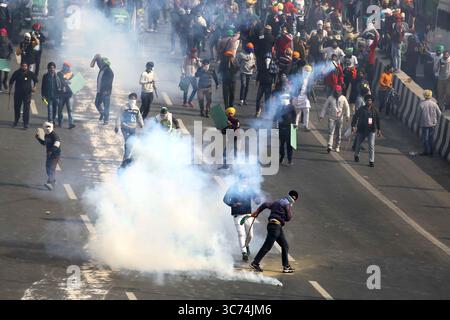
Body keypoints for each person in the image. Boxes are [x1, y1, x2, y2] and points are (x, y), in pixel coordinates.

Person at [249, 190, 299, 274]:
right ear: (295, 199)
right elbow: (289, 217)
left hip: (274, 226)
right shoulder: (287, 205)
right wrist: (285, 215)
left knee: (285, 245)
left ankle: (286, 267)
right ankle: (255, 263)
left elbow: (265, 204)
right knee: (267, 246)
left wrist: (257, 212)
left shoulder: (278, 201)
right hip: (275, 227)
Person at [223, 174, 261, 262]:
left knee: (250, 235)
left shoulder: (249, 188)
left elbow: (256, 198)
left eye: (246, 179)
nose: (245, 181)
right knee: (241, 234)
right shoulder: (233, 188)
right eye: (243, 179)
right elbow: (225, 199)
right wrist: (233, 205)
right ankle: (244, 253)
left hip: (248, 215)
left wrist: (257, 200)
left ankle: (246, 245)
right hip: (237, 215)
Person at [352, 95, 381, 167]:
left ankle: (371, 161)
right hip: (361, 129)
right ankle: (356, 155)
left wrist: (379, 129)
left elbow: (378, 120)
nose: (369, 102)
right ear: (365, 101)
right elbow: (355, 117)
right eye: (368, 100)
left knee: (371, 145)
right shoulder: (361, 109)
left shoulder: (375, 110)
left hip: (371, 129)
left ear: (372, 102)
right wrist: (353, 126)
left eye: (370, 100)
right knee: (358, 143)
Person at [320, 85, 350, 153]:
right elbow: (325, 107)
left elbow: (347, 107)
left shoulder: (343, 98)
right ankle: (330, 146)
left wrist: (347, 116)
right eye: (335, 91)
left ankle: (337, 146)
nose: (337, 93)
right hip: (331, 117)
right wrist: (322, 115)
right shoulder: (330, 98)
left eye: (338, 91)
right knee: (331, 132)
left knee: (338, 133)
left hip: (339, 118)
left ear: (340, 91)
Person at [115, 93, 144, 162]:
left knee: (131, 143)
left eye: (134, 99)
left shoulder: (136, 109)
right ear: (128, 99)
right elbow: (119, 117)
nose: (132, 100)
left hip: (133, 128)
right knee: (128, 142)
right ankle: (126, 158)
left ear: (136, 100)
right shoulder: (124, 107)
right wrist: (117, 126)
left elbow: (139, 117)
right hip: (125, 127)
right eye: (131, 98)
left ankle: (126, 157)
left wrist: (142, 124)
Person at [9, 62, 38, 129]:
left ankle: (26, 123)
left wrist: (34, 87)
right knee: (17, 108)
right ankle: (16, 121)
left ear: (27, 66)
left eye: (25, 66)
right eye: (23, 66)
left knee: (26, 109)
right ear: (21, 66)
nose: (24, 67)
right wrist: (9, 91)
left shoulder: (30, 73)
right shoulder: (17, 73)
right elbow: (11, 81)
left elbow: (35, 80)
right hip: (18, 94)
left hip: (27, 94)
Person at [35, 122, 61, 191]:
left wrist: (51, 151)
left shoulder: (55, 136)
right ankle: (53, 181)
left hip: (55, 155)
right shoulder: (46, 135)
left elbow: (56, 145)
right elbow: (44, 143)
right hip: (49, 155)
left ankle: (50, 184)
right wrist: (38, 139)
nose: (47, 129)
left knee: (51, 169)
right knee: (47, 168)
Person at [90, 54, 114, 125]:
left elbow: (108, 83)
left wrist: (105, 91)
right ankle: (102, 113)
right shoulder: (102, 69)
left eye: (102, 62)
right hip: (99, 91)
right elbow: (91, 65)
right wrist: (95, 58)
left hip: (105, 93)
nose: (100, 64)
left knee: (106, 106)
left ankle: (106, 120)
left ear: (105, 64)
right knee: (97, 104)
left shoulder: (109, 72)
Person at [418, 90, 442, 156]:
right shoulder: (434, 104)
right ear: (431, 96)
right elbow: (439, 114)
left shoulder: (421, 104)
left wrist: (418, 123)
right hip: (433, 124)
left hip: (424, 124)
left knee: (425, 138)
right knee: (431, 138)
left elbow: (418, 115)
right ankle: (431, 152)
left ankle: (426, 151)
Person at [276, 93, 296, 165]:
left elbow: (294, 117)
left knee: (285, 144)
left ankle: (286, 158)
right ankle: (286, 158)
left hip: (286, 128)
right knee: (286, 145)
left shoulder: (283, 107)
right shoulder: (290, 107)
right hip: (285, 128)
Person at [57, 62, 75, 129]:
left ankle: (71, 123)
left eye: (67, 66)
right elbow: (60, 81)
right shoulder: (59, 73)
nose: (66, 67)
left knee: (70, 110)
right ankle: (60, 122)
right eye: (65, 66)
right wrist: (66, 82)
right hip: (61, 94)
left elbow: (74, 83)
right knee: (60, 109)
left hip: (69, 95)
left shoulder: (71, 74)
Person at [0, 27, 12, 91]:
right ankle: (0, 88)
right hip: (0, 59)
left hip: (6, 59)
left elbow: (11, 50)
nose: (1, 34)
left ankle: (4, 81)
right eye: (0, 33)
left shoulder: (8, 41)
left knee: (6, 75)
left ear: (5, 34)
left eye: (3, 33)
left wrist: (9, 56)